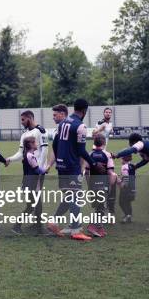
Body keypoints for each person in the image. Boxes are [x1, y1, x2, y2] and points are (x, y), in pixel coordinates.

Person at [47, 99, 95, 241]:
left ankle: (54, 221)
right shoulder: (80, 126)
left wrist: (60, 159)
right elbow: (81, 150)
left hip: (61, 167)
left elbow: (55, 144)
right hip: (72, 167)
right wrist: (93, 163)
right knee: (76, 197)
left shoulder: (62, 124)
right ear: (85, 111)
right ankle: (76, 230)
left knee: (69, 197)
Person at [7, 110, 49, 234]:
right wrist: (10, 158)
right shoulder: (24, 135)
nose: (22, 122)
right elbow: (20, 153)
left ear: (30, 118)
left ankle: (37, 224)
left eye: (23, 120)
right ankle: (35, 225)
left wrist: (40, 169)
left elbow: (45, 150)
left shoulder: (40, 131)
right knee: (35, 199)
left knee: (36, 198)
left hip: (37, 171)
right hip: (32, 171)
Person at [84, 134, 115, 238]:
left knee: (98, 206)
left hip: (93, 185)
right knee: (102, 208)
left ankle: (99, 228)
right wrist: (110, 186)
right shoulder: (107, 155)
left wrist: (89, 185)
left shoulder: (90, 155)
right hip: (103, 185)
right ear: (104, 143)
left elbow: (86, 172)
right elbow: (111, 172)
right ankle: (92, 226)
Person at [118, 154, 136, 223]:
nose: (121, 160)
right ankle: (129, 216)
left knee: (121, 202)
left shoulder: (124, 167)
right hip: (132, 186)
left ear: (123, 159)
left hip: (127, 188)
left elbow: (126, 177)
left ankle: (127, 215)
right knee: (128, 202)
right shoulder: (131, 165)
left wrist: (122, 184)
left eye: (121, 158)